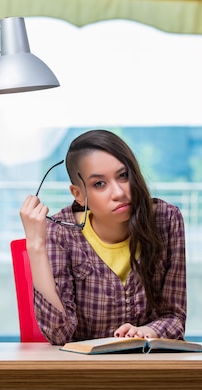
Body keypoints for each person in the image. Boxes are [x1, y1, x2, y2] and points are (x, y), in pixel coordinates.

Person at [19, 129, 187, 345]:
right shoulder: (61, 232)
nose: (118, 193)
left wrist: (147, 331)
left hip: (148, 366)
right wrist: (35, 244)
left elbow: (175, 317)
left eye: (123, 175)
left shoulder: (166, 220)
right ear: (78, 194)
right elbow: (59, 334)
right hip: (83, 372)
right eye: (99, 184)